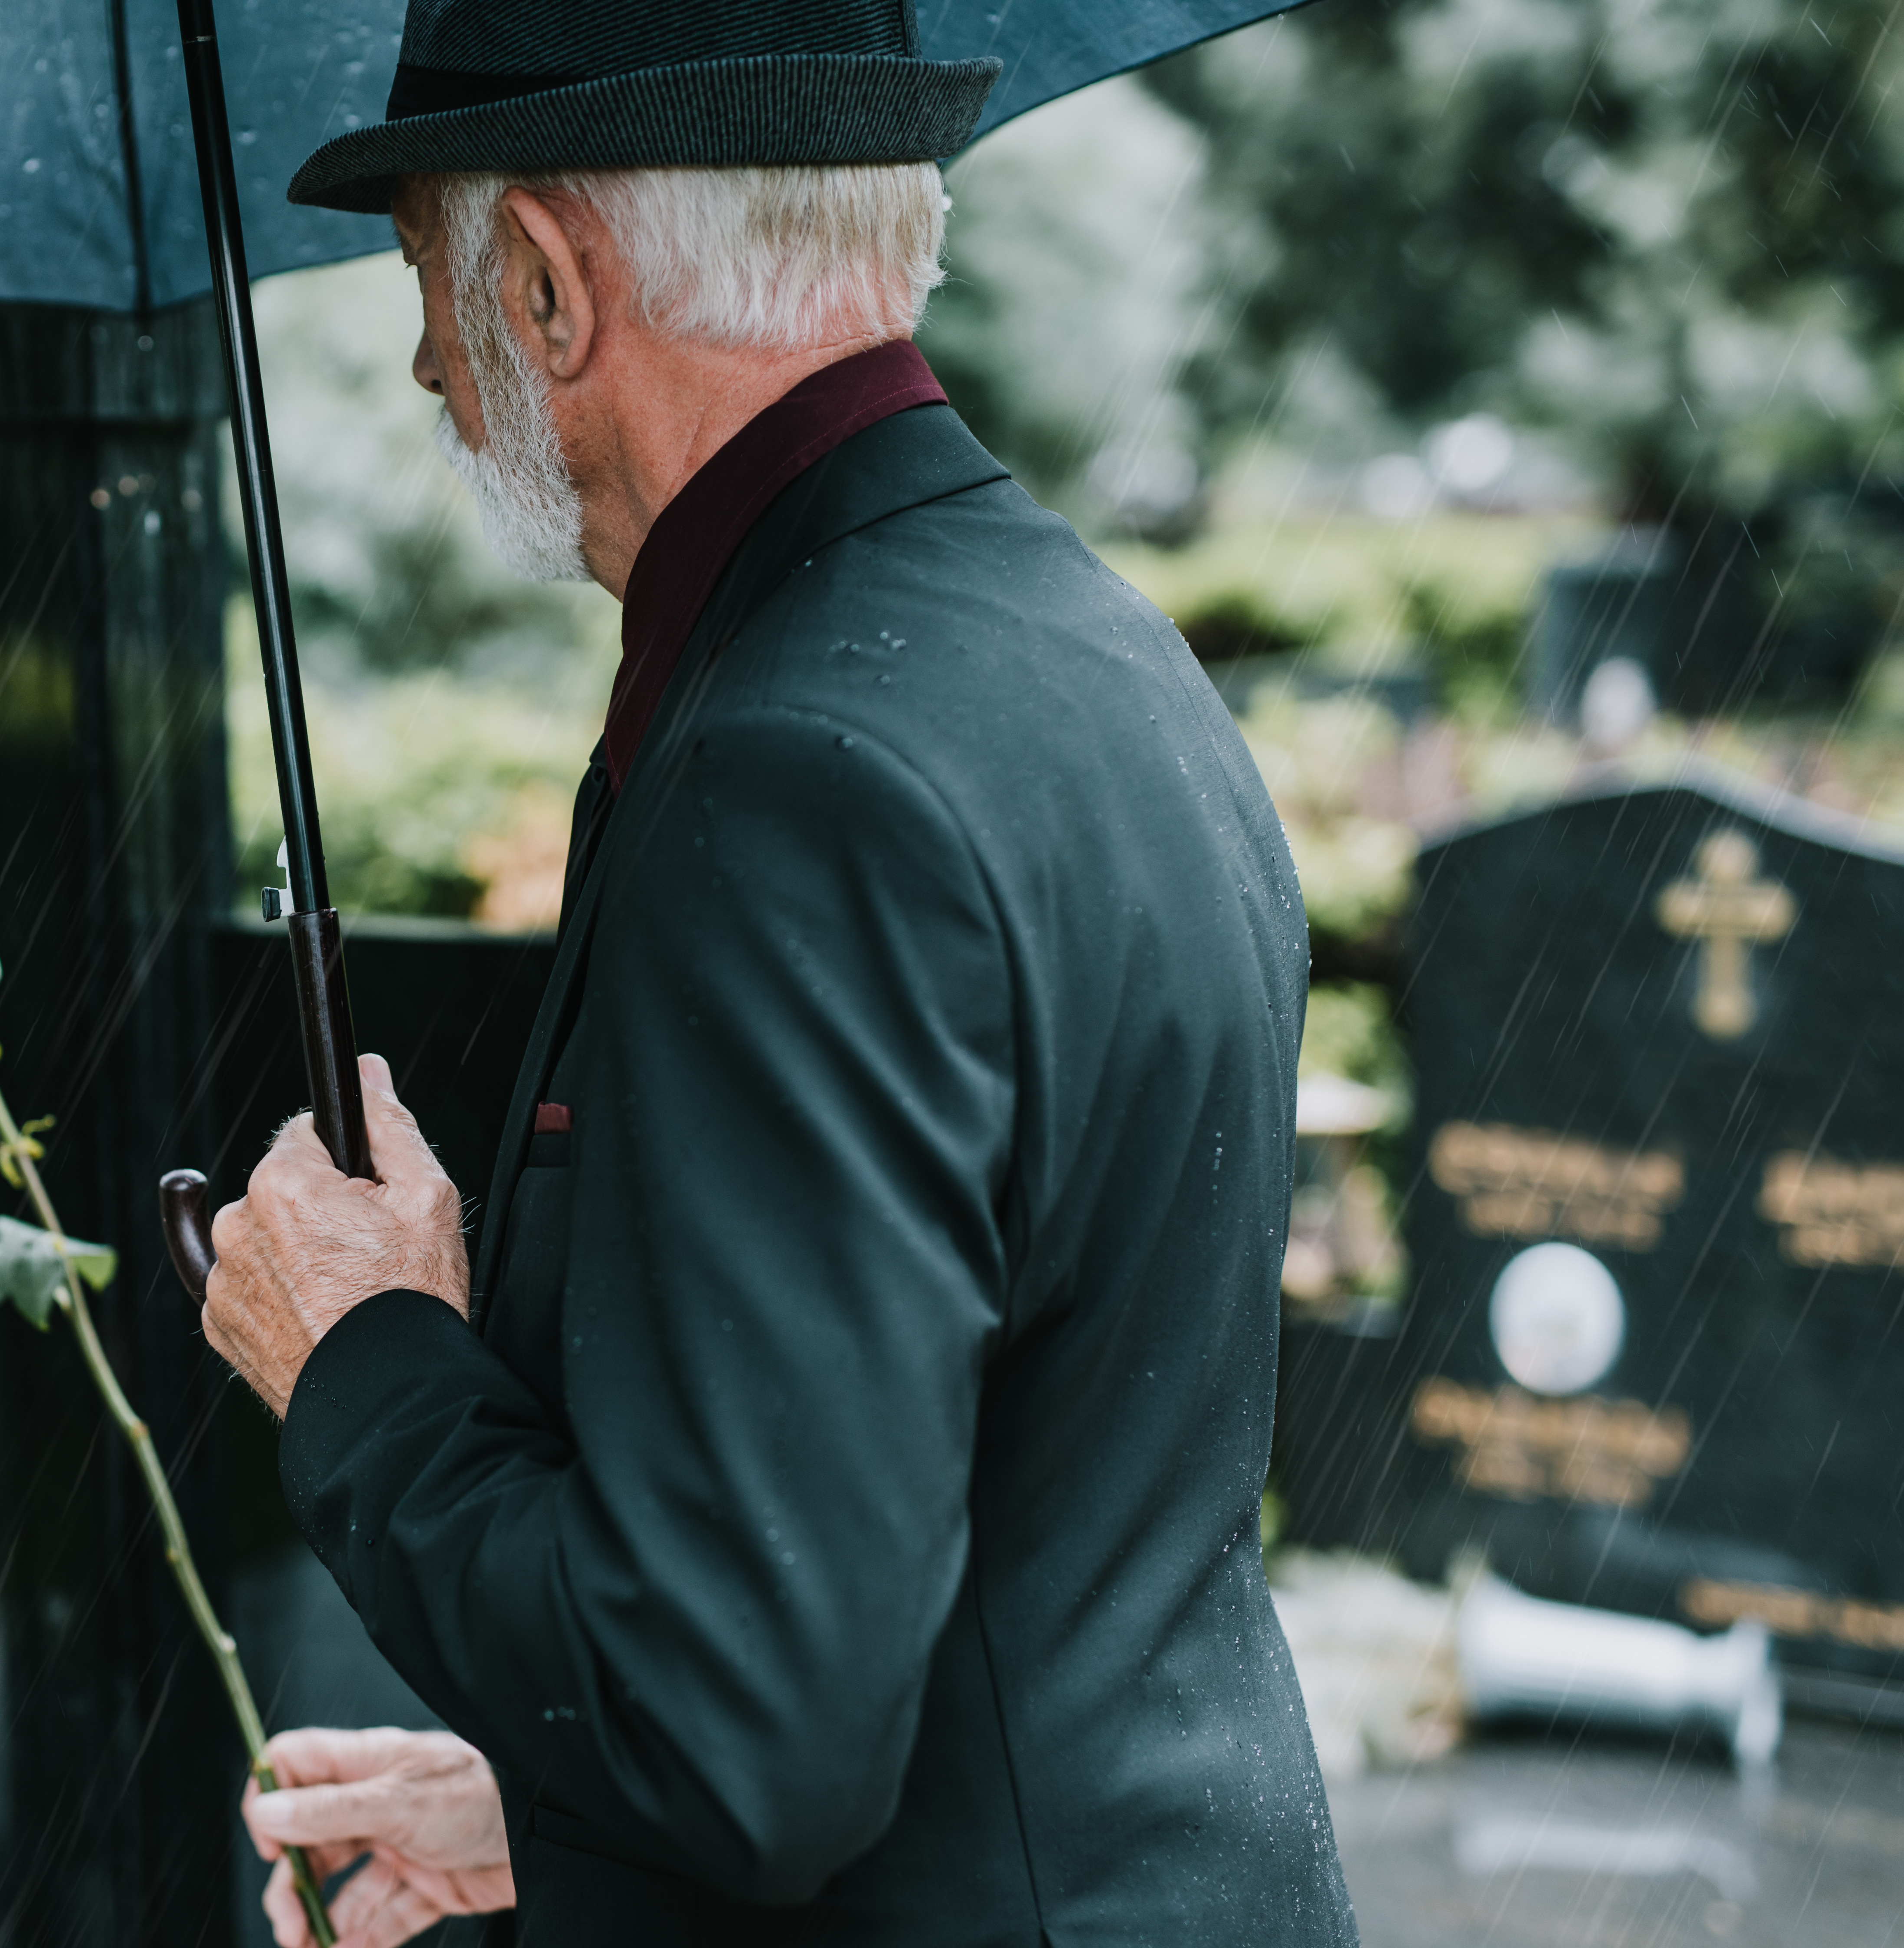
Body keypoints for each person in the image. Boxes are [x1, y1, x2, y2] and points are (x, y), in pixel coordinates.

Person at [200, 4, 1360, 1944]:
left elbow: (744, 1734)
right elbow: (949, 1557)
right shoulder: (1090, 648)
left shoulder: (792, 774)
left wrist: (361, 1358)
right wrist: (551, 1822)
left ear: (554, 286)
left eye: (431, 275)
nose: (424, 362)